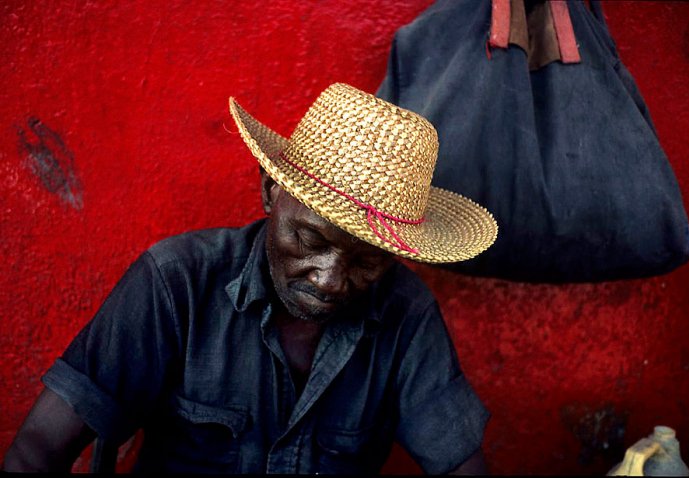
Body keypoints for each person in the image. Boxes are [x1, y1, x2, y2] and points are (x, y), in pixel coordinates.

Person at [2, 83, 498, 474]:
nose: (329, 280)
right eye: (309, 241)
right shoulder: (176, 285)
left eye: (367, 261)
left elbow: (459, 462)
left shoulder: (405, 315)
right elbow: (36, 451)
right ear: (268, 193)